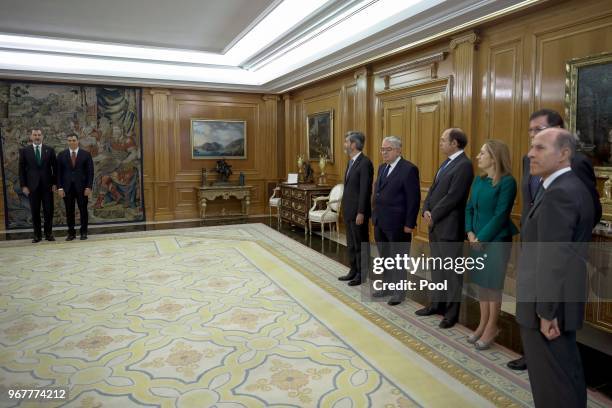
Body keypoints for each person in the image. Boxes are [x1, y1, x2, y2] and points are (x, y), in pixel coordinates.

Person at [507, 108, 602, 371]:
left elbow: (586, 210)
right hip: (536, 253)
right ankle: (532, 356)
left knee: (556, 363)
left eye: (540, 132)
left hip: (557, 266)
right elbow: (531, 206)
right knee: (542, 354)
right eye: (531, 133)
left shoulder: (574, 167)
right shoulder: (531, 162)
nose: (532, 142)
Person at [516, 128, 593, 407]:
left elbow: (552, 257)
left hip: (547, 305)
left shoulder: (561, 193)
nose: (530, 154)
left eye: (539, 148)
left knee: (552, 383)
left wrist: (546, 312)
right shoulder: (570, 186)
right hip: (558, 299)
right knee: (564, 375)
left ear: (563, 154)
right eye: (531, 146)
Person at [465, 140, 518, 350]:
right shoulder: (479, 180)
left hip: (495, 241)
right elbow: (469, 208)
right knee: (480, 283)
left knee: (492, 284)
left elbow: (501, 215)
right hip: (475, 239)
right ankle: (482, 323)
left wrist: (481, 238)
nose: (478, 156)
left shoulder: (507, 182)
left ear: (494, 158)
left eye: (482, 153)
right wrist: (470, 233)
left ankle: (492, 326)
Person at [418, 128, 474, 328]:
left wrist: (434, 215)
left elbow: (454, 196)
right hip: (436, 225)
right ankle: (436, 304)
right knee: (438, 269)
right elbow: (433, 189)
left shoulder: (465, 165)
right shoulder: (446, 163)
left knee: (452, 273)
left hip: (450, 227)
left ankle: (451, 314)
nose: (440, 143)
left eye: (443, 140)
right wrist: (425, 208)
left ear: (455, 143)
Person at [371, 136, 420, 306]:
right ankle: (388, 286)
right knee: (385, 258)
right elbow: (378, 192)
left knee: (398, 258)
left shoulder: (409, 169)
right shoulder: (382, 168)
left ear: (398, 150)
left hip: (398, 224)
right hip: (380, 221)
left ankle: (399, 292)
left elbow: (413, 199)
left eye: (388, 149)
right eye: (382, 149)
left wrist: (410, 224)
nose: (383, 152)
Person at [338, 131, 374, 286]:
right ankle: (353, 270)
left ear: (353, 144)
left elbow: (365, 191)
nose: (344, 145)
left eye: (346, 142)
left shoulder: (365, 163)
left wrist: (361, 212)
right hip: (349, 211)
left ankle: (361, 274)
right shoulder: (351, 162)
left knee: (361, 244)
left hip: (358, 213)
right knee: (351, 244)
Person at [18, 128, 57, 243]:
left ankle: (48, 234)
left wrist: (55, 183)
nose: (37, 137)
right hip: (32, 187)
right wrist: (23, 186)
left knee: (48, 211)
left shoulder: (49, 150)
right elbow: (21, 170)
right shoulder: (25, 151)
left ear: (42, 137)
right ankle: (37, 235)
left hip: (47, 186)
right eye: (35, 135)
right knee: (35, 211)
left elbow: (55, 168)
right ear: (31, 137)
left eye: (39, 135)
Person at [57, 133, 94, 240]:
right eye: (69, 140)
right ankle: (71, 233)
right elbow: (58, 173)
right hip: (67, 188)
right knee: (69, 211)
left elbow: (90, 172)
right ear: (67, 142)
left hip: (82, 188)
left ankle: (83, 232)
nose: (72, 142)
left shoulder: (86, 154)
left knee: (83, 210)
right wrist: (60, 188)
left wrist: (89, 187)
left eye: (73, 140)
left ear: (78, 141)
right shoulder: (61, 155)